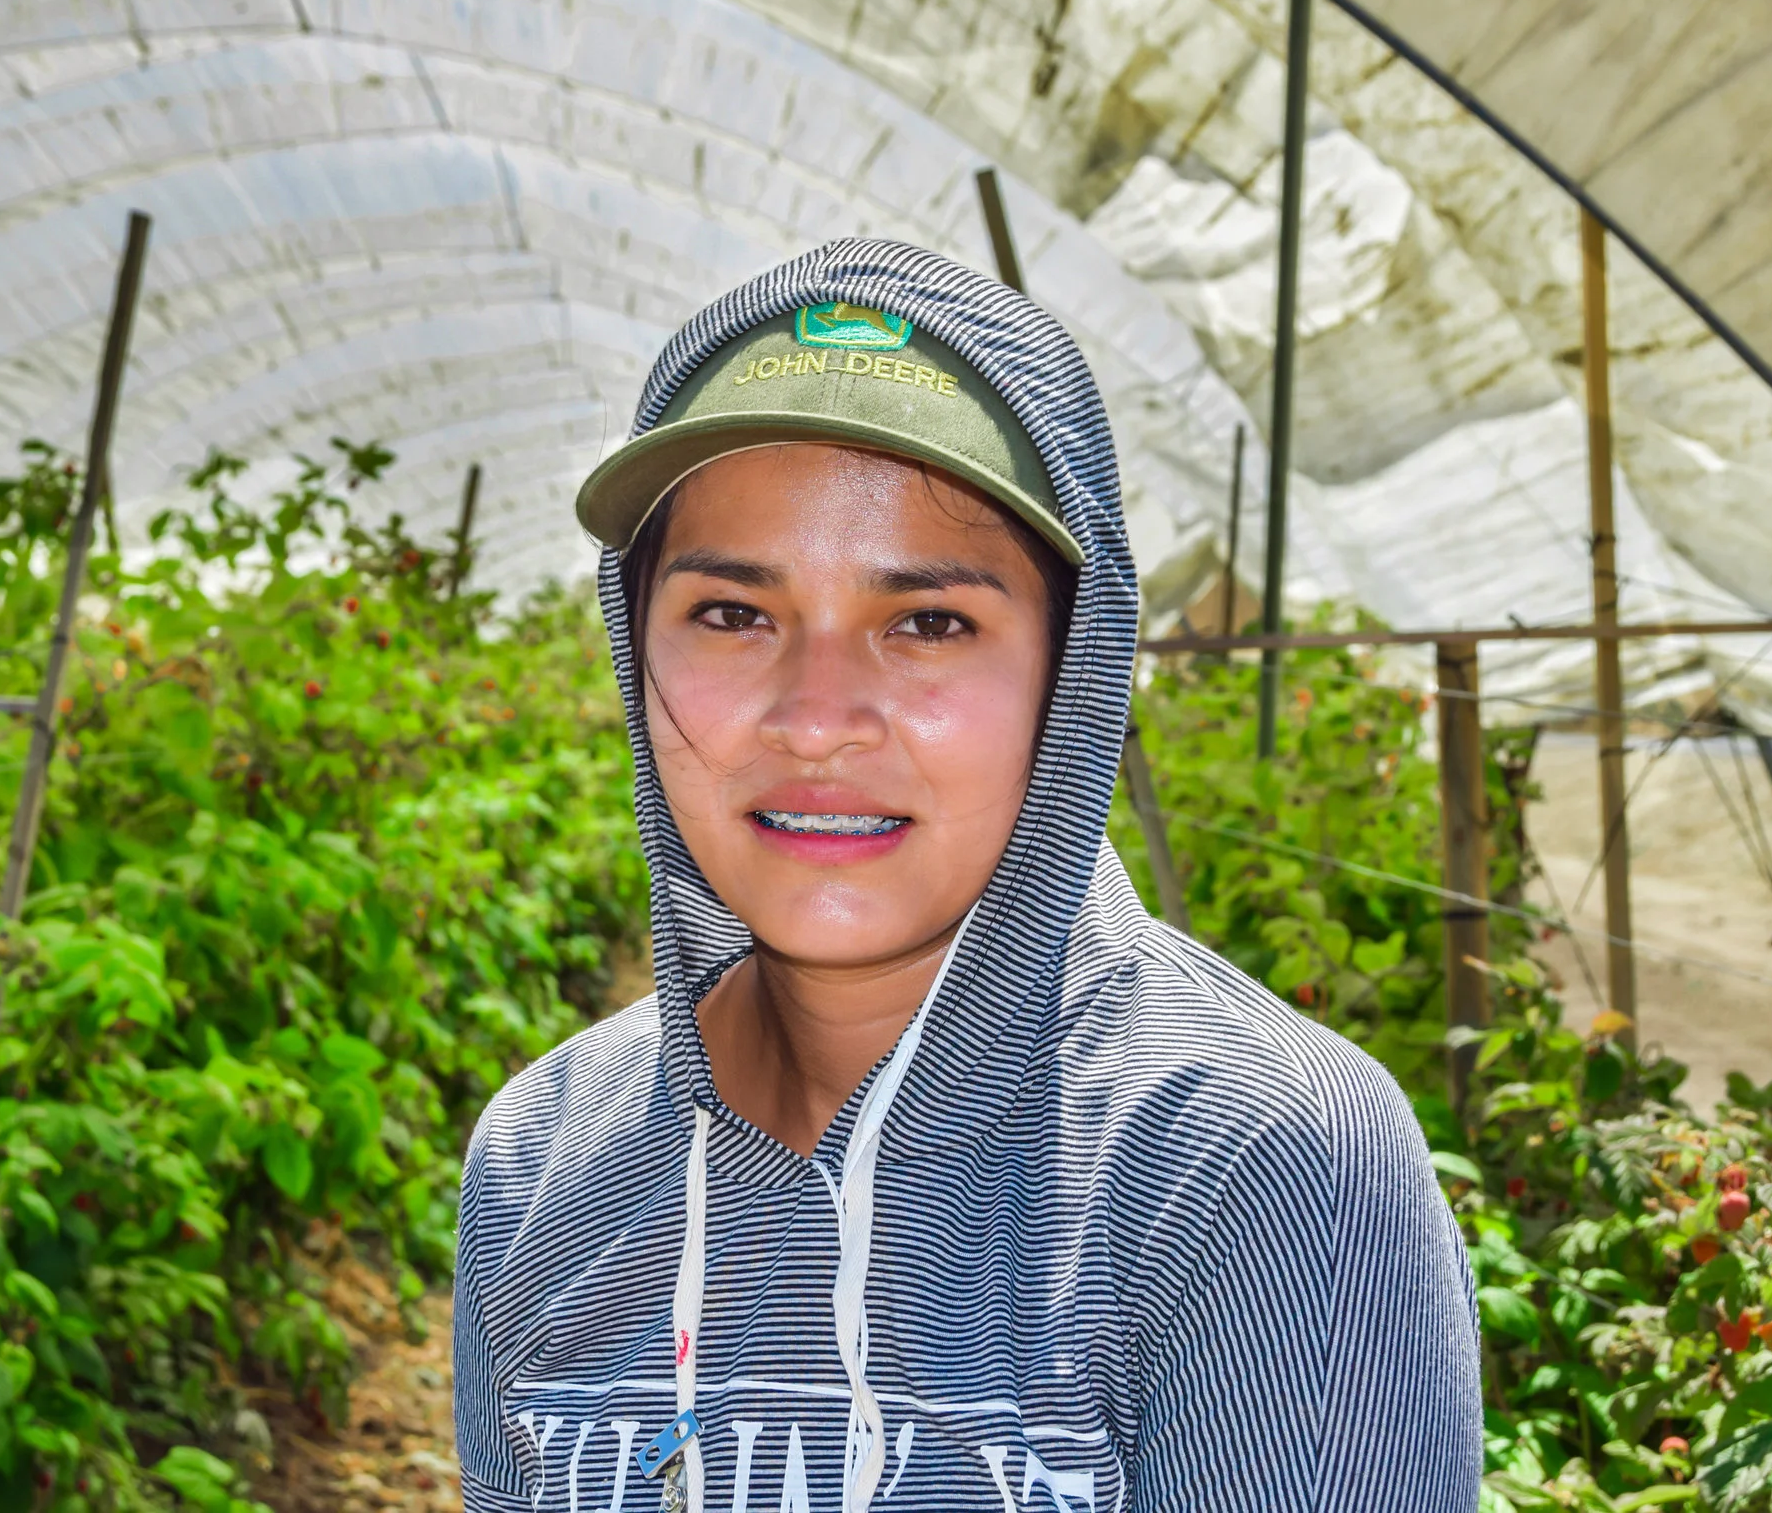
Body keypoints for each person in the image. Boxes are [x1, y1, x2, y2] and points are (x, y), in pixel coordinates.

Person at [453, 239, 1481, 1512]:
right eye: (732, 612)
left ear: (1075, 666)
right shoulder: (543, 1159)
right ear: (634, 641)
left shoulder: (1255, 1166)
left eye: (929, 622)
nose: (817, 716)